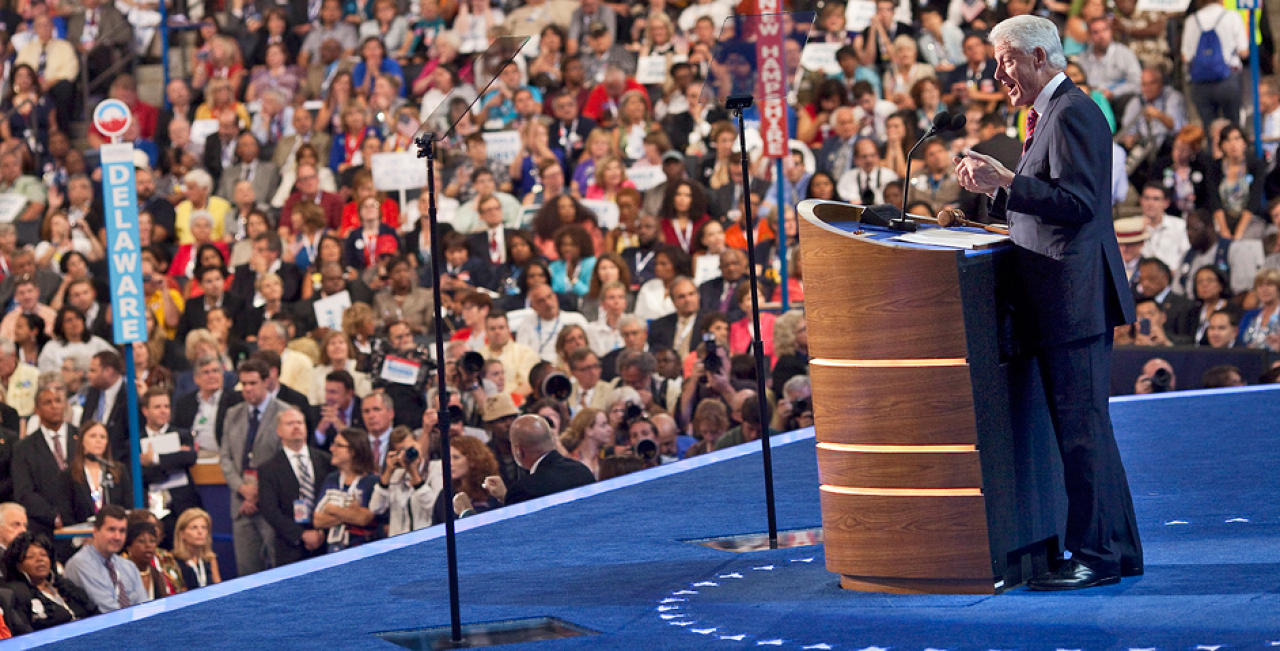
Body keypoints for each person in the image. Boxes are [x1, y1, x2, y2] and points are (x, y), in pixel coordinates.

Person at [953, 15, 1143, 590]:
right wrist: (997, 196)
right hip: (1058, 299)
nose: (997, 72)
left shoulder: (1076, 112)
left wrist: (1007, 180)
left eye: (1005, 59)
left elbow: (1080, 203)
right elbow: (1047, 203)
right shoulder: (1048, 115)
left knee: (1083, 432)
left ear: (1038, 57)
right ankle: (1117, 549)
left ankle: (1099, 556)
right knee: (1086, 431)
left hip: (1074, 300)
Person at [218, 359, 285, 576]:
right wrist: (242, 489)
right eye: (243, 383)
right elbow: (225, 458)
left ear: (267, 382)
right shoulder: (233, 414)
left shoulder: (284, 413)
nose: (247, 389)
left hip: (272, 503)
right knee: (246, 572)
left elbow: (283, 458)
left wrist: (256, 492)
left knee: (277, 568)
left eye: (253, 383)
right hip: (240, 505)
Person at [257, 405, 333, 566]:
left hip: (326, 541)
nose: (296, 426)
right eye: (290, 423)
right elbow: (269, 509)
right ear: (279, 430)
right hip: (290, 546)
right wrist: (301, 534)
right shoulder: (268, 468)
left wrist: (321, 532)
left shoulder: (326, 460)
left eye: (300, 422)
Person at [12, 386, 78, 557]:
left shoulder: (82, 438)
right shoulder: (24, 448)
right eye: (47, 402)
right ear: (37, 409)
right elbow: (24, 491)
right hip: (46, 531)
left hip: (83, 525)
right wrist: (53, 517)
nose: (54, 406)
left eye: (58, 401)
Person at [482, 414, 594, 506]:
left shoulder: (523, 490)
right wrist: (506, 497)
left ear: (518, 451)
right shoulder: (582, 471)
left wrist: (508, 499)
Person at [2, 532, 95, 630]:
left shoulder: (64, 585)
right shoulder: (18, 594)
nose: (40, 559)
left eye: (44, 554)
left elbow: (93, 610)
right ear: (18, 565)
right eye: (31, 556)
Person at [63, 505, 147, 612]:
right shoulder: (80, 563)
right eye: (111, 530)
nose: (117, 537)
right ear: (95, 531)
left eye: (122, 531)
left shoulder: (128, 566)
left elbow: (145, 607)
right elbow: (109, 612)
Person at [313, 428, 379, 552]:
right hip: (333, 551)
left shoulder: (371, 482)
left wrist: (333, 509)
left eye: (338, 445)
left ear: (353, 451)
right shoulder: (332, 479)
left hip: (363, 551)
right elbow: (317, 521)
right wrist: (351, 513)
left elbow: (364, 519)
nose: (332, 449)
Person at [431, 435, 500, 525]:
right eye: (448, 458)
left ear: (473, 460)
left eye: (456, 457)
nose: (450, 463)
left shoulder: (493, 491)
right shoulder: (446, 496)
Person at [172, 508, 221, 589]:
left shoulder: (210, 559)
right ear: (182, 534)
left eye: (204, 527)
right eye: (194, 527)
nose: (200, 532)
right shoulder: (172, 561)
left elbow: (219, 590)